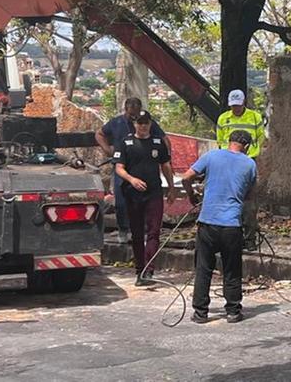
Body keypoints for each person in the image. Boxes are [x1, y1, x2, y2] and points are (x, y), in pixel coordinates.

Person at [180, 130, 257, 323]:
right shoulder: (249, 164)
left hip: (207, 223)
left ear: (229, 142)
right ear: (246, 146)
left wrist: (192, 196)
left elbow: (186, 177)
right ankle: (232, 311)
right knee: (232, 269)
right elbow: (250, 195)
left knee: (203, 267)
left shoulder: (211, 155)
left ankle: (200, 313)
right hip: (231, 225)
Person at [112, 111, 177, 285]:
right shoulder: (125, 143)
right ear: (135, 124)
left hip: (154, 192)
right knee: (137, 233)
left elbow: (165, 166)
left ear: (150, 124)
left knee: (154, 231)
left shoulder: (157, 143)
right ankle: (139, 269)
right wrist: (132, 180)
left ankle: (149, 269)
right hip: (133, 194)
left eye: (146, 123)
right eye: (140, 123)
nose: (143, 126)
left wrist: (171, 188)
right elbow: (119, 168)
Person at [96, 97, 171, 243]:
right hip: (122, 166)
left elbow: (164, 139)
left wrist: (168, 159)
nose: (136, 121)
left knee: (144, 200)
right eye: (132, 116)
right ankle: (123, 229)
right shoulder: (116, 123)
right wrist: (106, 149)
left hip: (143, 166)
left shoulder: (147, 123)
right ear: (126, 110)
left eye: (137, 116)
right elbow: (99, 134)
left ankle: (142, 230)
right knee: (121, 201)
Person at [215, 89, 265, 247]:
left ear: (244, 103)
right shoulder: (223, 118)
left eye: (238, 105)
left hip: (248, 160)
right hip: (229, 162)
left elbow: (260, 138)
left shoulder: (255, 117)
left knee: (248, 201)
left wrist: (249, 154)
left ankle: (249, 238)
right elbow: (221, 140)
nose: (235, 109)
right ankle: (231, 237)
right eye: (233, 106)